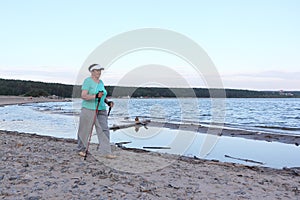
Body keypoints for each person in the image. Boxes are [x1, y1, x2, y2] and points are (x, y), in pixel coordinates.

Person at [77, 64, 116, 159]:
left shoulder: (101, 82)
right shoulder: (88, 81)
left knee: (104, 130)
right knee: (85, 130)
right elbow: (83, 96)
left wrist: (107, 102)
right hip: (89, 109)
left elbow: (102, 95)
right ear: (92, 71)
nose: (99, 72)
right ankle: (81, 150)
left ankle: (107, 152)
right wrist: (95, 96)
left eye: (100, 70)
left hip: (101, 109)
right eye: (97, 70)